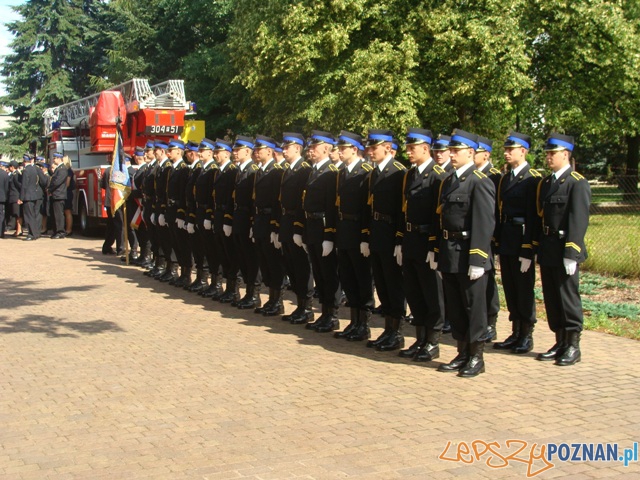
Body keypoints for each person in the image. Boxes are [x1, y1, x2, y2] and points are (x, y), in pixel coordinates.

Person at [434, 129, 495, 377]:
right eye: (451, 150)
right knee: (456, 307)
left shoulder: (480, 182)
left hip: (470, 253)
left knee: (474, 308)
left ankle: (476, 357)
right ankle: (461, 353)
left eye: (456, 151)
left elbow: (484, 223)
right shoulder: (449, 181)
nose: (452, 154)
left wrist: (478, 258)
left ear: (471, 152)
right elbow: (442, 220)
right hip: (450, 253)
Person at [536, 133, 590, 366]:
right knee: (552, 298)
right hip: (548, 247)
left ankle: (573, 345)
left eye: (553, 153)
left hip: (564, 248)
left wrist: (572, 252)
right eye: (547, 153)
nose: (548, 157)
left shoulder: (576, 183)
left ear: (565, 154)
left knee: (568, 298)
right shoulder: (547, 183)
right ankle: (559, 341)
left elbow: (578, 221)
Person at [397, 128, 446, 361]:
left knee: (431, 294)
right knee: (414, 292)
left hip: (426, 241)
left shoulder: (438, 176)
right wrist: (399, 240)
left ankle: (433, 342)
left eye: (412, 148)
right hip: (410, 240)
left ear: (426, 148)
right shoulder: (410, 175)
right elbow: (403, 211)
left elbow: (439, 216)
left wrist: (434, 247)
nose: (408, 152)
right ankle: (420, 338)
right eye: (407, 148)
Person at [493, 132, 542, 354]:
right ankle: (515, 331)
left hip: (522, 238)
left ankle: (527, 334)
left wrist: (528, 246)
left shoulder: (533, 179)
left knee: (523, 288)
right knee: (511, 287)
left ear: (523, 151)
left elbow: (534, 216)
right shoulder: (505, 178)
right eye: (505, 149)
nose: (506, 153)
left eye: (510, 149)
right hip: (507, 237)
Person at [362, 129, 407, 351]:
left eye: (374, 147)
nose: (369, 151)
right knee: (381, 284)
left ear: (388, 148)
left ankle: (397, 333)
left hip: (390, 233)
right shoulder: (375, 173)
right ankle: (388, 330)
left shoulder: (399, 173)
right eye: (369, 148)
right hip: (377, 233)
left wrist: (399, 239)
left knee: (393, 284)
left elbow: (402, 210)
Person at [332, 131, 375, 341]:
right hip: (344, 230)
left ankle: (364, 324)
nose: (340, 152)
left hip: (358, 230)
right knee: (348, 278)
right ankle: (354, 321)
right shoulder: (342, 172)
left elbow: (367, 208)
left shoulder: (365, 172)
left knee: (362, 279)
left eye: (343, 148)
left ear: (354, 149)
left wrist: (365, 236)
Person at [302, 131, 342, 333]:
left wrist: (329, 235)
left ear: (326, 148)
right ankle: (324, 313)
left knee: (328, 274)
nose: (310, 150)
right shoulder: (314, 171)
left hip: (323, 226)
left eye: (314, 147)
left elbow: (330, 207)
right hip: (312, 227)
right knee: (318, 272)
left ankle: (332, 315)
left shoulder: (331, 172)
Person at [275, 133, 315, 325]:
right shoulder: (288, 170)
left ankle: (306, 307)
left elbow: (302, 202)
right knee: (291, 266)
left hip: (295, 222)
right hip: (285, 222)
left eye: (286, 148)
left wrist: (299, 228)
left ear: (297, 148)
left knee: (301, 267)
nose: (283, 151)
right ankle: (299, 306)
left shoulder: (304, 170)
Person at [252, 135, 287, 315]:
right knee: (264, 262)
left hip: (269, 221)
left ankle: (278, 301)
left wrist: (275, 226)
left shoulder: (276, 171)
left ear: (270, 151)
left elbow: (276, 202)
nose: (257, 153)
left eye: (260, 149)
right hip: (259, 220)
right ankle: (271, 299)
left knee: (274, 263)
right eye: (256, 150)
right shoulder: (260, 171)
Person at [226, 135, 262, 309]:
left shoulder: (252, 170)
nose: (234, 153)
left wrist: (251, 223)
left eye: (237, 150)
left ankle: (253, 294)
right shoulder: (241, 170)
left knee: (251, 258)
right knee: (242, 257)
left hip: (247, 219)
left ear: (247, 151)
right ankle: (247, 292)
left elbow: (253, 200)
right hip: (239, 218)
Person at [473, 136, 502, 343]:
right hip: (477, 236)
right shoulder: (472, 176)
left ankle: (491, 321)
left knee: (489, 281)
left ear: (487, 154)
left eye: (479, 151)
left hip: (489, 235)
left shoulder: (494, 176)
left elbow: (495, 211)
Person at [18, 154, 48, 240]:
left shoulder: (26, 170)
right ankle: (37, 233)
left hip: (28, 196)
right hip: (38, 195)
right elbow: (44, 181)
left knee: (29, 215)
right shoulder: (37, 169)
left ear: (24, 161)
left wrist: (21, 198)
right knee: (37, 215)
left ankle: (31, 234)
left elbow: (24, 185)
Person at [47, 153, 68, 239]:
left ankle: (60, 232)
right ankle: (56, 231)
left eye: (55, 158)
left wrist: (49, 189)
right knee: (55, 214)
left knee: (59, 214)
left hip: (59, 195)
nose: (53, 160)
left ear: (59, 159)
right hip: (56, 195)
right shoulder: (58, 169)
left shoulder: (62, 169)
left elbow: (57, 182)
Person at [8, 160, 23, 236]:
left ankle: (19, 229)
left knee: (18, 214)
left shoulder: (16, 175)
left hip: (16, 197)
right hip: (13, 197)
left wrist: (20, 197)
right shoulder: (13, 174)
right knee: (15, 214)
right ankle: (18, 229)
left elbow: (20, 186)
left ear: (12, 167)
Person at [62, 155, 75, 236]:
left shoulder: (69, 171)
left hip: (67, 192)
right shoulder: (67, 170)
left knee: (67, 211)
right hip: (66, 192)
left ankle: (69, 229)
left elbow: (67, 183)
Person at [0, 161, 9, 238]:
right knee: (1, 215)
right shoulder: (4, 174)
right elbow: (6, 187)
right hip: (2, 197)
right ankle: (1, 232)